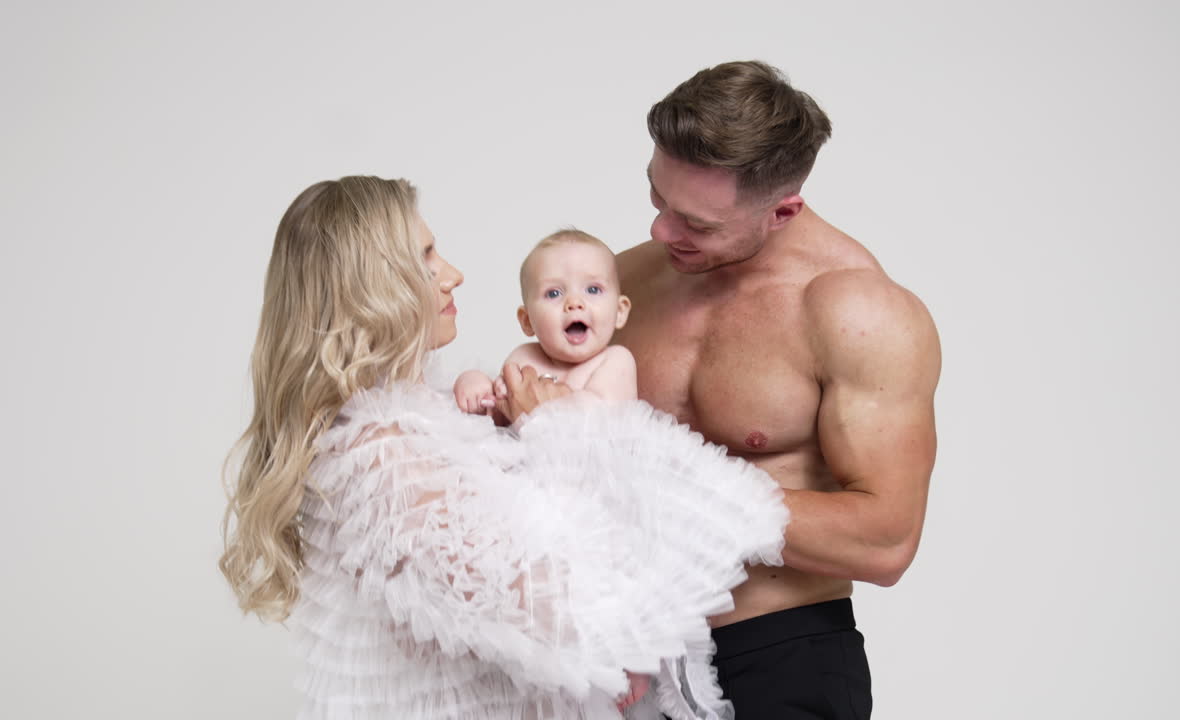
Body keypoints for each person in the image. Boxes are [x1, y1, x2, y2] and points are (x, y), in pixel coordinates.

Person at [218, 176, 790, 720]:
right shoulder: (385, 455)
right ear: (373, 286)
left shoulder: (425, 419)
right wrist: (558, 431)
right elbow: (565, 613)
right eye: (426, 257)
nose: (454, 275)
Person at [614, 60, 942, 719]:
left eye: (698, 223)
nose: (661, 232)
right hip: (624, 664)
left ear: (783, 210)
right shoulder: (624, 281)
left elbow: (885, 542)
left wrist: (675, 488)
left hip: (775, 657)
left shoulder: (856, 311)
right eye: (657, 197)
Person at [453, 228, 636, 415]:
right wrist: (478, 388)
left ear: (619, 311)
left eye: (593, 290)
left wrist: (542, 404)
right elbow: (502, 416)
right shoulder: (524, 358)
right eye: (553, 293)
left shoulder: (615, 360)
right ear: (527, 321)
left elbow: (603, 418)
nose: (574, 303)